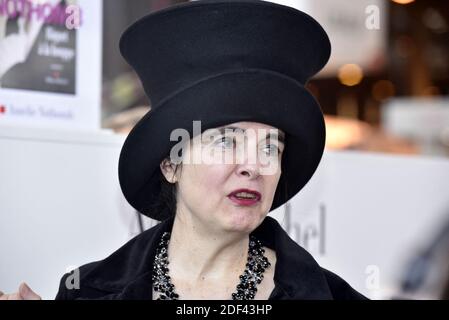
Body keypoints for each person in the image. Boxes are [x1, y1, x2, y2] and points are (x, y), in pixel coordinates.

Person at [1, 0, 367, 300]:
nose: (254, 167)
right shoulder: (87, 291)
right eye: (226, 141)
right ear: (170, 164)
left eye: (271, 146)